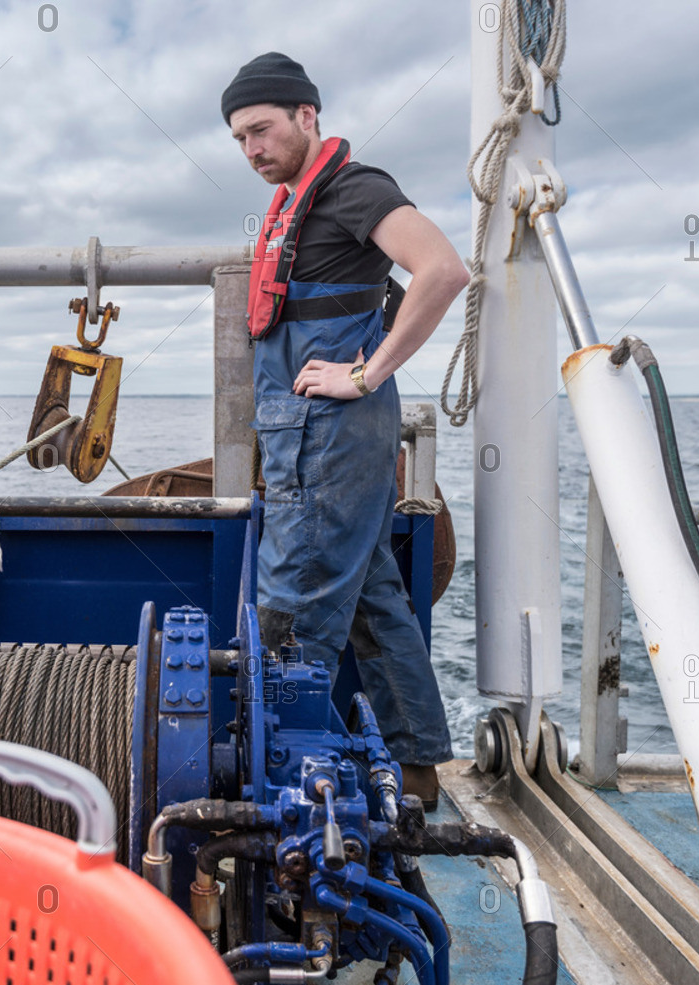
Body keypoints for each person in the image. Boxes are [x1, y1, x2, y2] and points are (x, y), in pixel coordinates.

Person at [223, 52, 468, 809]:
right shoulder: (299, 199)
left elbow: (442, 270)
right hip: (316, 435)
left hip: (329, 436)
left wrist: (364, 374)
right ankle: (419, 770)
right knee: (371, 596)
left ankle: (284, 788)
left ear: (308, 116)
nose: (252, 149)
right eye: (239, 139)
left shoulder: (354, 189)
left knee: (291, 607)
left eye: (262, 129)